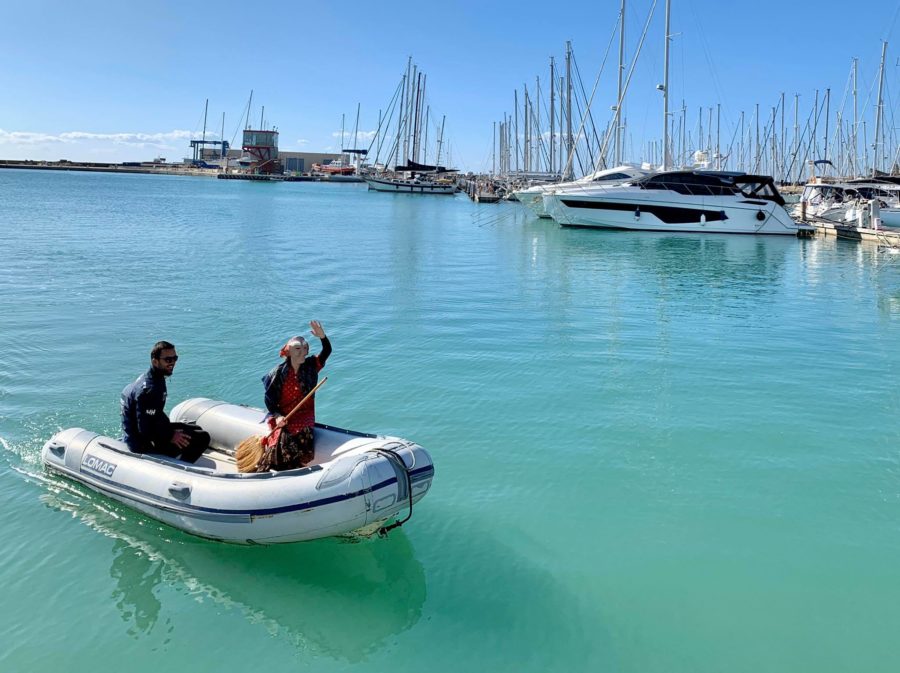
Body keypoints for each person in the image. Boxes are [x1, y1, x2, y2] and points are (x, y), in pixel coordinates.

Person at [258, 320, 331, 471]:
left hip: (304, 414)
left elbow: (326, 351)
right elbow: (269, 400)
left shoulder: (311, 366)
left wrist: (322, 337)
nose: (302, 352)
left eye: (305, 348)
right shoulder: (277, 374)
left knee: (299, 435)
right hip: (284, 414)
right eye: (297, 348)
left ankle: (294, 467)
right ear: (289, 352)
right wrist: (278, 416)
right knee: (280, 439)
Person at [121, 341, 210, 463]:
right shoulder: (150, 390)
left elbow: (152, 414)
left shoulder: (152, 377)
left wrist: (169, 429)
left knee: (196, 428)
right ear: (155, 361)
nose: (172, 363)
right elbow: (144, 430)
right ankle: (180, 466)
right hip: (143, 443)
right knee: (202, 438)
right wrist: (171, 436)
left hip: (150, 429)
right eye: (168, 359)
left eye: (175, 358)